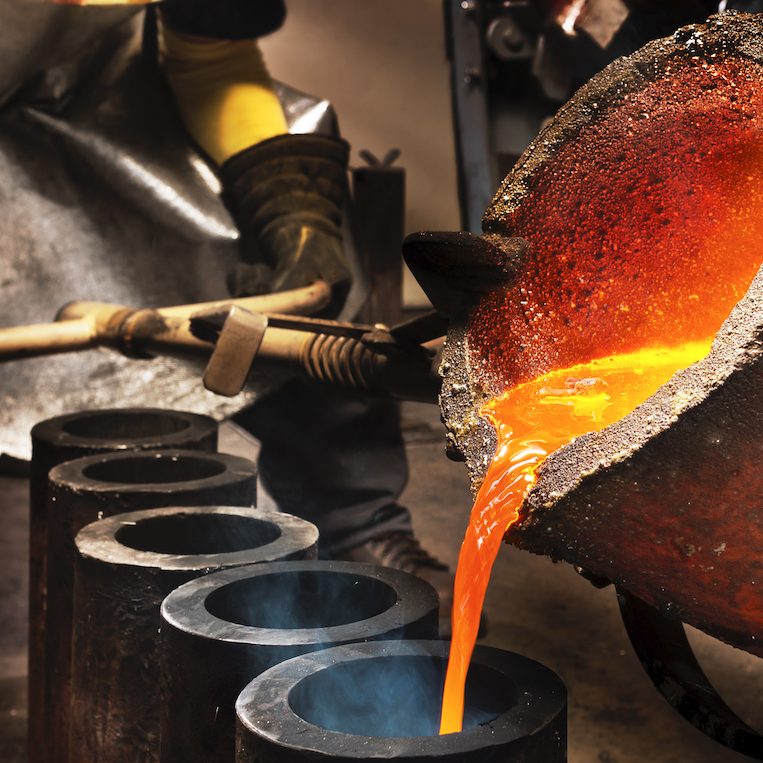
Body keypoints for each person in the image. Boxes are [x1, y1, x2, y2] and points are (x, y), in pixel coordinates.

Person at [1, 0, 455, 628]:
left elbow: (210, 57)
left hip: (109, 103)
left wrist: (291, 210)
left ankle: (356, 521)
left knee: (297, 151)